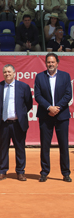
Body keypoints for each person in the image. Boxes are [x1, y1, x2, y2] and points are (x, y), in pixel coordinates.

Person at [34, 53, 72, 183]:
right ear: (45, 63)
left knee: (63, 145)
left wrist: (57, 108)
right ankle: (44, 172)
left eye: (53, 62)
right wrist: (49, 107)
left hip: (62, 116)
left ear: (57, 63)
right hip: (46, 115)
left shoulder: (65, 76)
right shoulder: (39, 77)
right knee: (45, 145)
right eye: (48, 62)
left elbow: (68, 95)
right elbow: (38, 96)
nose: (50, 64)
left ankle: (66, 173)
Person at [0, 64, 32, 181]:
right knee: (3, 148)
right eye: (5, 72)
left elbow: (28, 104)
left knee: (20, 148)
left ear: (14, 73)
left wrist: (19, 115)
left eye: (9, 72)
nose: (7, 74)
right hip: (3, 123)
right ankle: (2, 171)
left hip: (18, 123)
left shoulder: (23, 87)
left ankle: (20, 172)